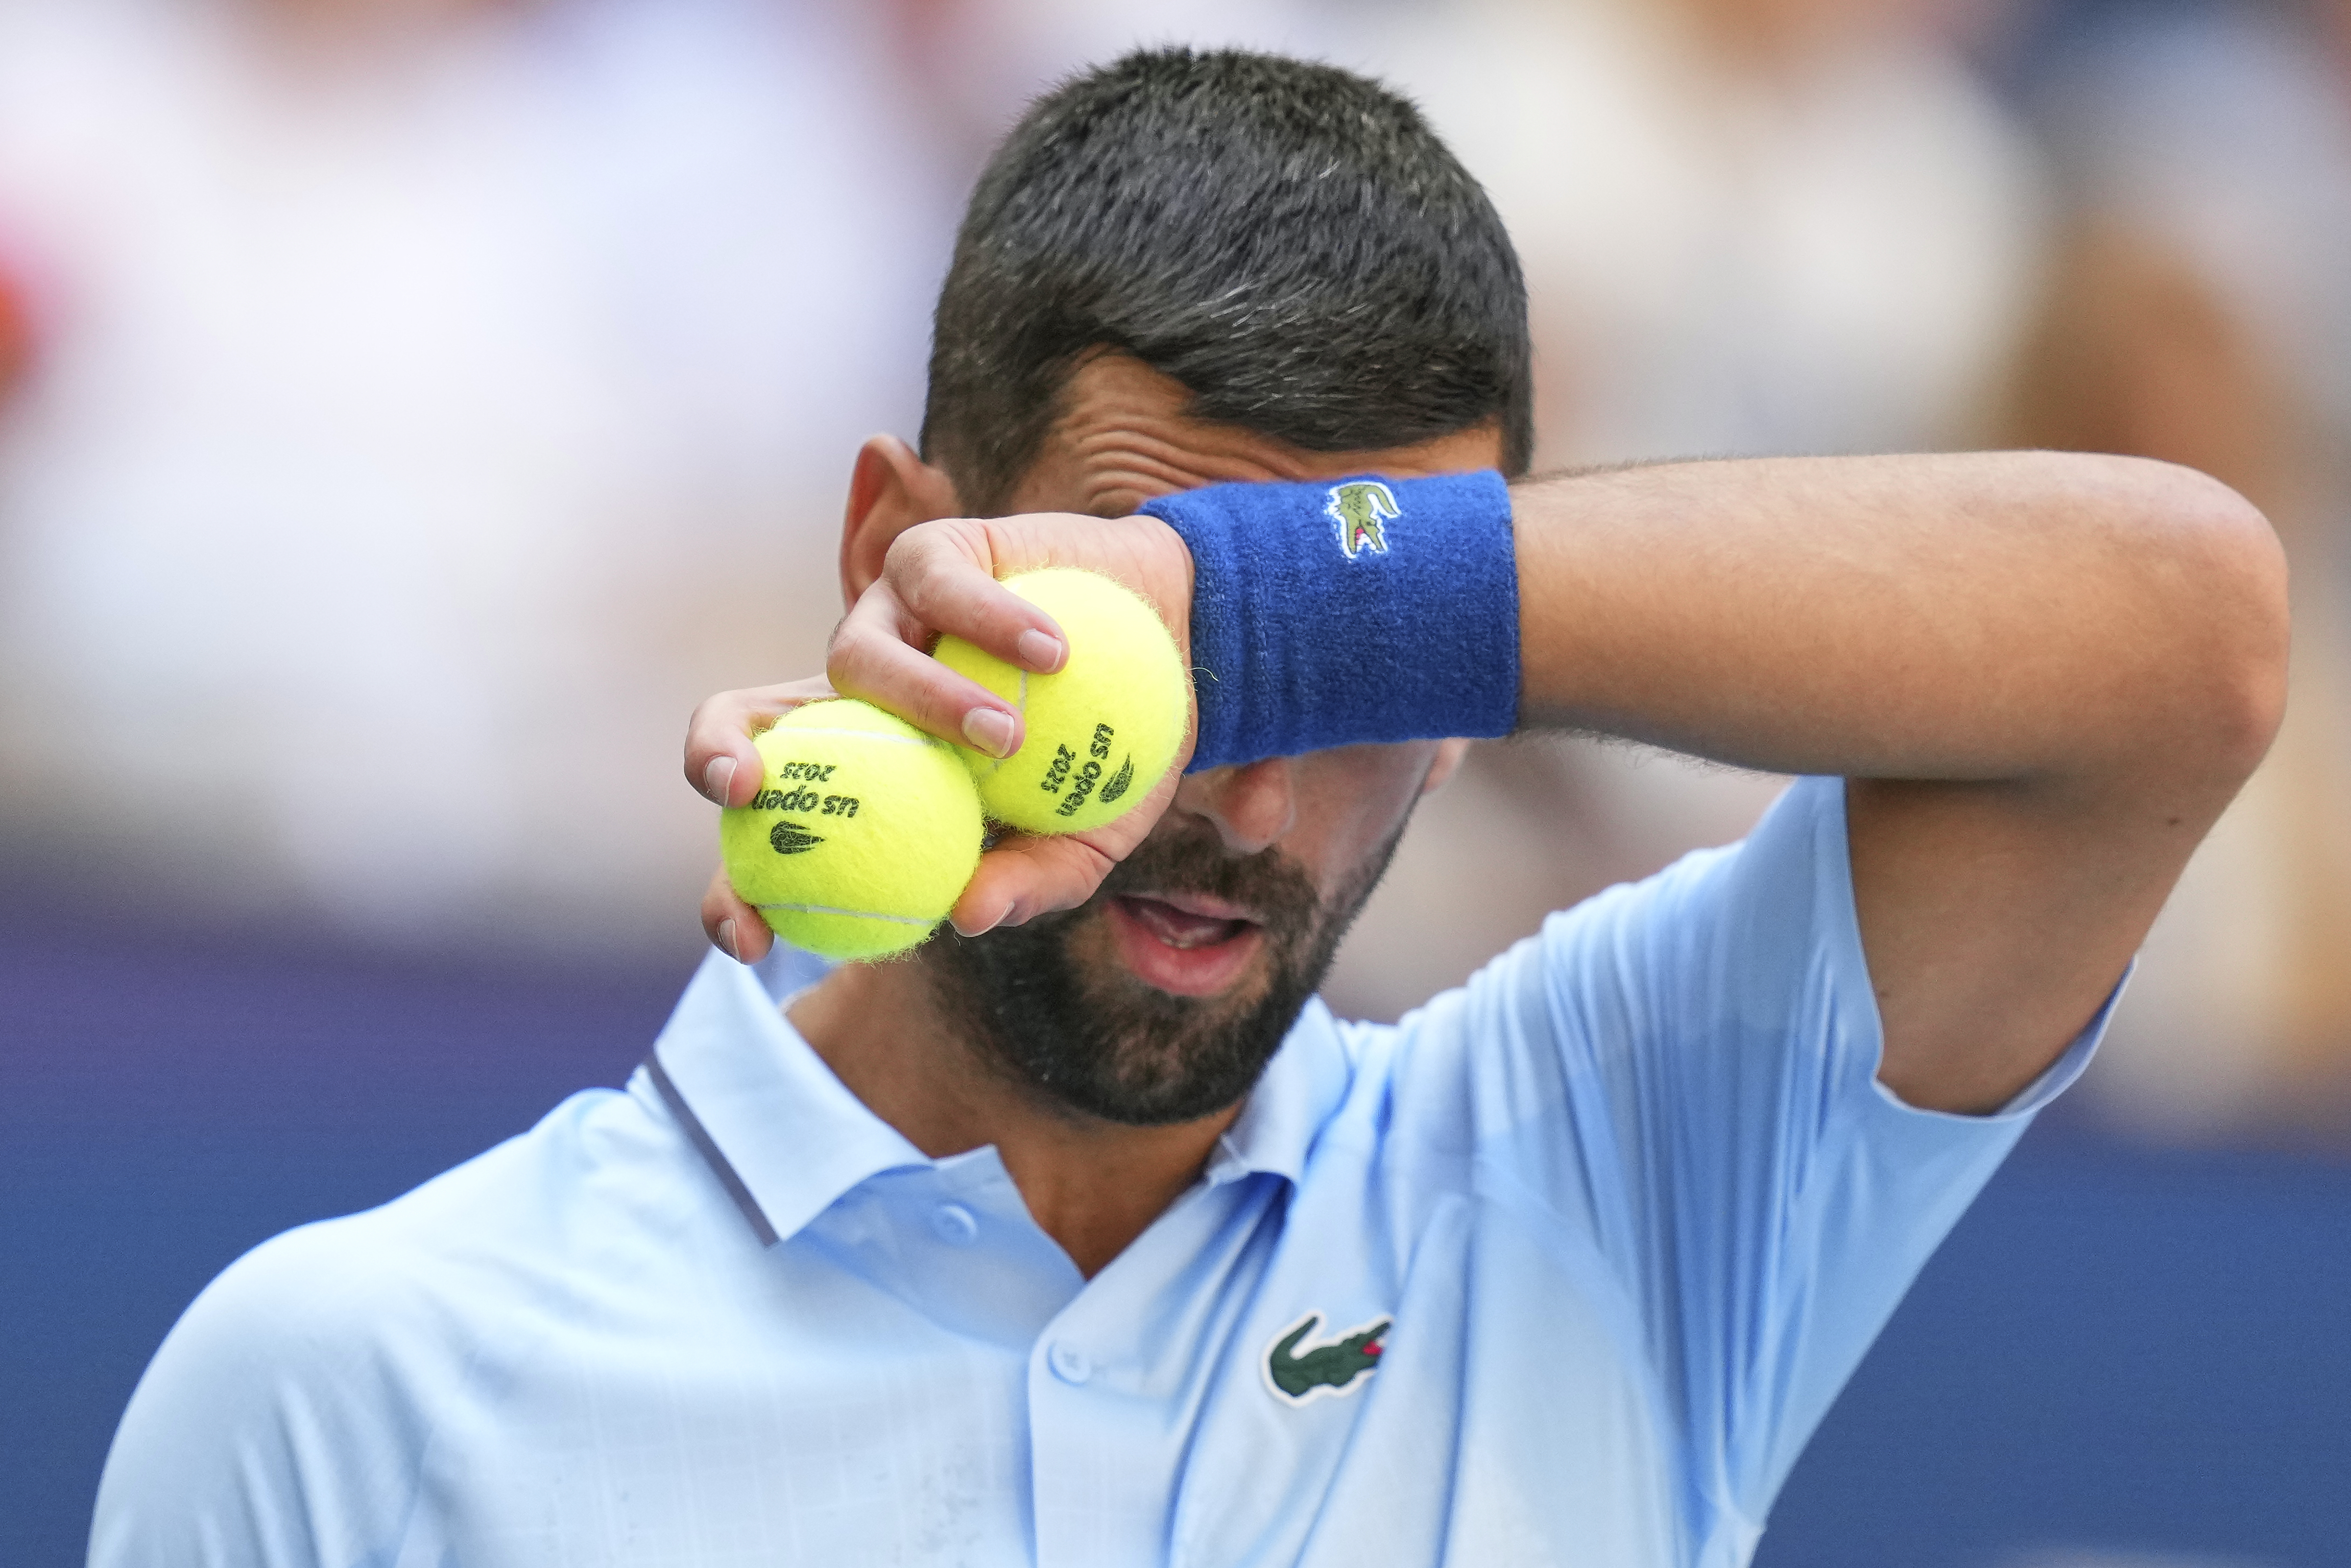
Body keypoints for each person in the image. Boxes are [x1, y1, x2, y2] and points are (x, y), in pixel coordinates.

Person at [90, 48, 2284, 1568]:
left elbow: (2183, 636)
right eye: (1135, 676)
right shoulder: (345, 1383)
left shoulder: (1612, 1181)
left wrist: (1235, 600)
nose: (1240, 792)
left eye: (1352, 677)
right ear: (898, 556)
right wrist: (1317, 608)